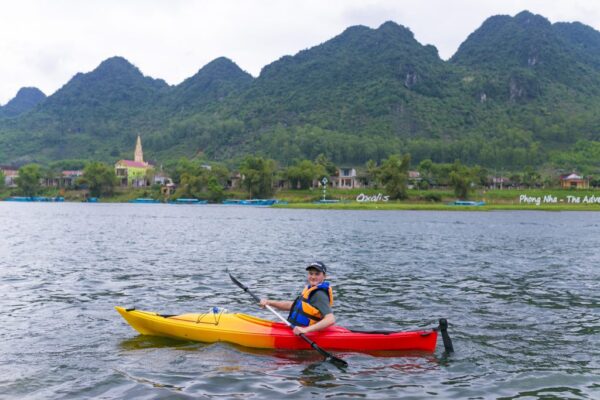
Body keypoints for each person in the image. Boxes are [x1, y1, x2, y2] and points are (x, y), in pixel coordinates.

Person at [260, 261, 336, 336]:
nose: (313, 277)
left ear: (324, 276)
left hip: (304, 333)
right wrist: (269, 302)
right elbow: (292, 306)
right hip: (295, 328)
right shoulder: (310, 289)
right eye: (311, 273)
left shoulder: (319, 295)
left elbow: (330, 319)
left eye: (317, 274)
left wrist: (305, 330)